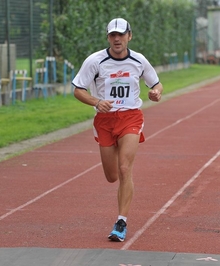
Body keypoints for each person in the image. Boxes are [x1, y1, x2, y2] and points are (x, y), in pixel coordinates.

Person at [72, 18, 163, 242]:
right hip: (105, 120)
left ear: (129, 36)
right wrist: (95, 102)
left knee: (124, 169)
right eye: (112, 35)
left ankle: (121, 221)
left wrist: (156, 93)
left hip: (130, 116)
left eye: (121, 35)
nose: (117, 39)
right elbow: (77, 89)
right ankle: (121, 199)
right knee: (112, 176)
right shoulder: (95, 61)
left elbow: (156, 84)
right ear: (108, 38)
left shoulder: (138, 60)